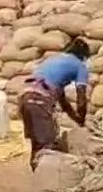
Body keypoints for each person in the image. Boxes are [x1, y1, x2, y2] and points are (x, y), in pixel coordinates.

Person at [19, 37, 91, 166]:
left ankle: (37, 177)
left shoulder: (53, 61)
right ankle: (46, 180)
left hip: (25, 97)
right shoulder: (80, 66)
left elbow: (63, 102)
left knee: (37, 144)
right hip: (39, 100)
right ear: (84, 57)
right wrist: (83, 119)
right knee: (47, 145)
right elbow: (81, 99)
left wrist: (76, 119)